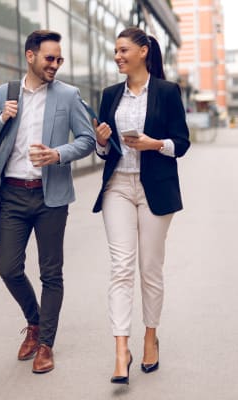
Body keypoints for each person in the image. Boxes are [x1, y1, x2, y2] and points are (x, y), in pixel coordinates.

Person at [0, 30, 95, 374]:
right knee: (9, 268)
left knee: (51, 273)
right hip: (13, 195)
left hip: (51, 197)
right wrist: (2, 118)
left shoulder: (67, 95)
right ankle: (34, 322)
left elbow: (87, 139)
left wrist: (57, 154)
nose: (55, 65)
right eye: (50, 58)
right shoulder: (7, 92)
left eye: (59, 59)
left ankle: (46, 343)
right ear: (30, 56)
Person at [92, 27, 190, 384]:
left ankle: (150, 336)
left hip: (155, 190)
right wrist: (102, 142)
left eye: (123, 50)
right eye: (115, 51)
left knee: (150, 268)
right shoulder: (109, 95)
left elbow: (181, 143)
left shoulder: (166, 92)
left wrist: (154, 144)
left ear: (143, 51)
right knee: (121, 267)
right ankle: (121, 351)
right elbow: (104, 152)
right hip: (117, 186)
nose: (118, 56)